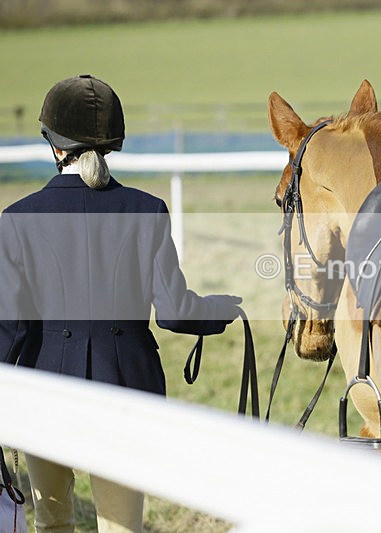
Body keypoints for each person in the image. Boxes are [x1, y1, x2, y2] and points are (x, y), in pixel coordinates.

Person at [0, 74, 242, 532]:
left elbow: (11, 330)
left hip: (46, 389)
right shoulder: (147, 210)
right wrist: (221, 309)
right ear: (111, 146)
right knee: (122, 527)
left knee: (51, 523)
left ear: (55, 147)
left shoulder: (16, 220)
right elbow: (175, 311)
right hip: (126, 388)